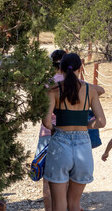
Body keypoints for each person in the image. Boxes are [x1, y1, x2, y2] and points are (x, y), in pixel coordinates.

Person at [43, 53, 106, 211]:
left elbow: (46, 122)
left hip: (59, 145)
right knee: (75, 204)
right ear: (80, 68)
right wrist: (85, 125)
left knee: (59, 205)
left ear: (61, 69)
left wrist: (55, 129)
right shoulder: (90, 91)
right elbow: (101, 122)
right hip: (83, 146)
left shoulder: (54, 91)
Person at [34, 49, 66, 211]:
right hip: (67, 132)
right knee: (65, 177)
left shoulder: (46, 82)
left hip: (47, 132)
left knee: (47, 178)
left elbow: (39, 109)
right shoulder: (74, 83)